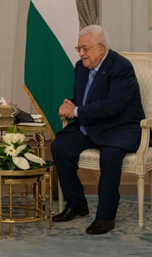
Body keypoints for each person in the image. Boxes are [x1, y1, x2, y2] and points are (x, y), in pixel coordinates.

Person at [50, 24, 144, 235]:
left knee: (110, 155)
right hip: (91, 125)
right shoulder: (80, 67)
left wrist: (77, 111)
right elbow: (83, 100)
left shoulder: (121, 67)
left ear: (101, 48)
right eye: (79, 48)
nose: (81, 53)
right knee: (60, 146)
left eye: (85, 48)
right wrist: (67, 107)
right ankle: (77, 204)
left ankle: (105, 216)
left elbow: (113, 106)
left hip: (119, 127)